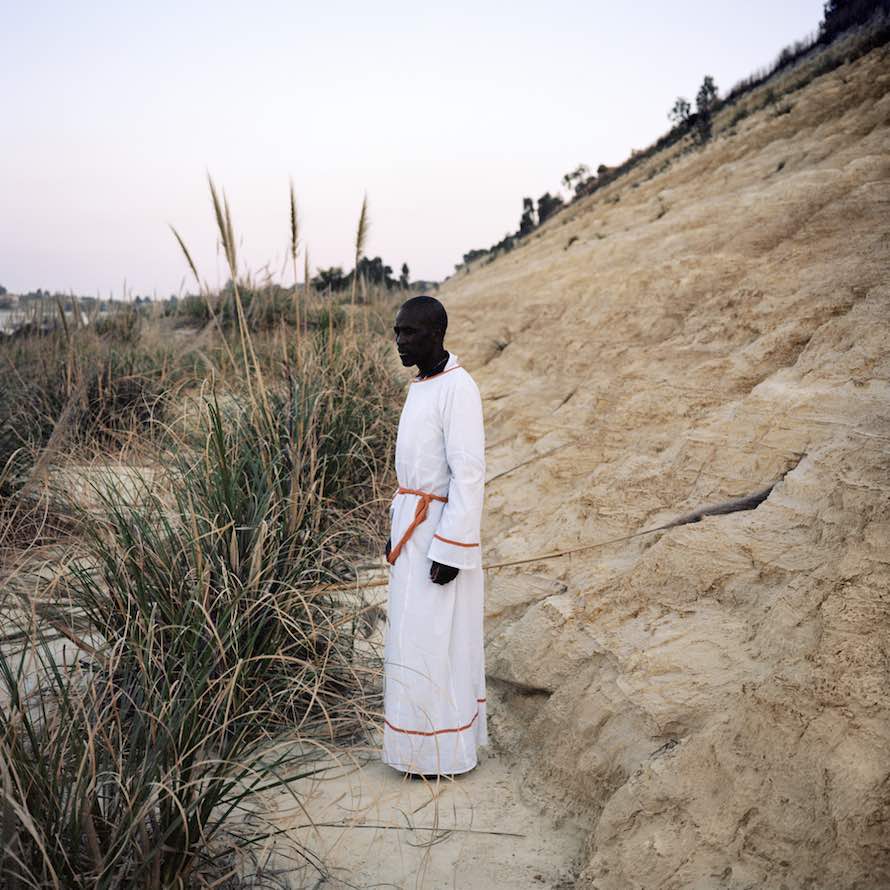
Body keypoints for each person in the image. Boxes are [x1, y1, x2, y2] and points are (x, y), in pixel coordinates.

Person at [382, 295, 486, 777]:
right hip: (411, 526)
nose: (400, 341)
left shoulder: (458, 388)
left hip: (439, 534)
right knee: (409, 635)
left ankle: (443, 751)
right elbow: (411, 472)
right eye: (398, 332)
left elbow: (468, 473)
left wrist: (451, 549)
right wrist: (396, 527)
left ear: (437, 334)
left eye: (410, 333)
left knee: (436, 640)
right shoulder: (419, 386)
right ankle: (411, 750)